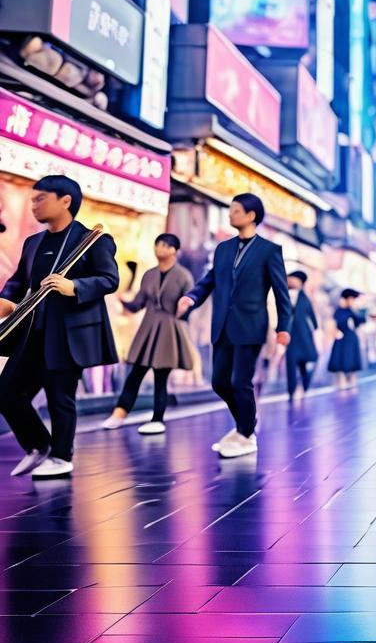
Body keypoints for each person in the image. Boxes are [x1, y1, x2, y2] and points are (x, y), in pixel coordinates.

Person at [0, 176, 119, 477]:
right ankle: (39, 445)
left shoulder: (92, 239)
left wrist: (74, 286)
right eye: (32, 199)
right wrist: (4, 299)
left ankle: (62, 457)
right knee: (6, 391)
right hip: (33, 332)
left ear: (65, 201)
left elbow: (109, 279)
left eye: (40, 198)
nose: (34, 205)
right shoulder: (34, 242)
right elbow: (18, 282)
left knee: (60, 396)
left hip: (69, 334)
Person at [178, 193, 291, 459]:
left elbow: (281, 292)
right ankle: (246, 426)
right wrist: (191, 298)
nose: (230, 215)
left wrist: (283, 328)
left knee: (240, 381)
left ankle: (246, 433)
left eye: (236, 211)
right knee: (219, 381)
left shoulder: (269, 250)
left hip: (251, 325)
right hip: (222, 325)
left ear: (251, 216)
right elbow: (209, 280)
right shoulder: (223, 248)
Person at [103, 233, 194, 434]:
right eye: (157, 244)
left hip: (169, 329)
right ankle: (119, 413)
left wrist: (185, 310)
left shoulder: (183, 276)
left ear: (174, 250)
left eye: (164, 245)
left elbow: (189, 304)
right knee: (135, 374)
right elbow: (138, 303)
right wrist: (122, 300)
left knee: (161, 377)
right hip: (148, 327)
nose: (159, 248)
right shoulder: (149, 274)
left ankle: (158, 419)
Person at [284, 270, 318, 399]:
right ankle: (292, 390)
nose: (290, 281)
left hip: (304, 335)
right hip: (290, 336)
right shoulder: (283, 295)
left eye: (293, 279)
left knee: (308, 360)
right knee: (291, 364)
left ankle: (305, 384)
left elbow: (312, 317)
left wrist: (313, 328)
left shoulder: (305, 298)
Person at [329, 288, 365, 390]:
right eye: (352, 299)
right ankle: (342, 383)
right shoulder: (340, 310)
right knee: (341, 362)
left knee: (351, 362)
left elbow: (360, 321)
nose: (353, 301)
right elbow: (340, 322)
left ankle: (352, 382)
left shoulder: (352, 310)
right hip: (343, 339)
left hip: (351, 338)